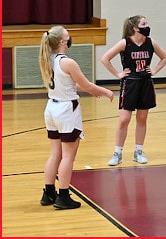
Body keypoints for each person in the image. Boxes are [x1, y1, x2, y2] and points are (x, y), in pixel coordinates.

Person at [38, 25, 114, 209]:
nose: (70, 37)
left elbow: (72, 84)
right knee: (68, 157)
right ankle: (63, 196)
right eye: (68, 35)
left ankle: (48, 193)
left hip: (51, 109)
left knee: (55, 153)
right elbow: (87, 85)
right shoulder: (68, 62)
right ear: (63, 41)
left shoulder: (48, 59)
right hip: (66, 110)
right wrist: (105, 91)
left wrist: (93, 91)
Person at [101, 15, 166, 165]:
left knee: (142, 119)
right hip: (130, 84)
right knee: (124, 119)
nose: (147, 25)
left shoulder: (151, 42)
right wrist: (118, 74)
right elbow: (105, 58)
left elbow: (164, 58)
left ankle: (138, 151)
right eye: (144, 23)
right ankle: (117, 152)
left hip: (146, 83)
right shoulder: (125, 43)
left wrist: (155, 71)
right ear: (135, 28)